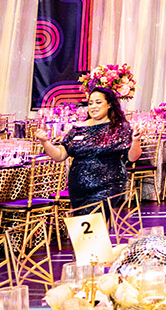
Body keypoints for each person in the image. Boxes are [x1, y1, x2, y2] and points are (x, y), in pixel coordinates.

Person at [32, 86, 141, 215]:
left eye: (98, 102)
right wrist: (45, 142)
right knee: (87, 228)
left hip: (107, 185)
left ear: (110, 104)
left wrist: (135, 141)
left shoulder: (119, 127)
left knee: (92, 220)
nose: (93, 106)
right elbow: (60, 155)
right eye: (90, 103)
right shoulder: (78, 128)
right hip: (78, 187)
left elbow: (132, 157)